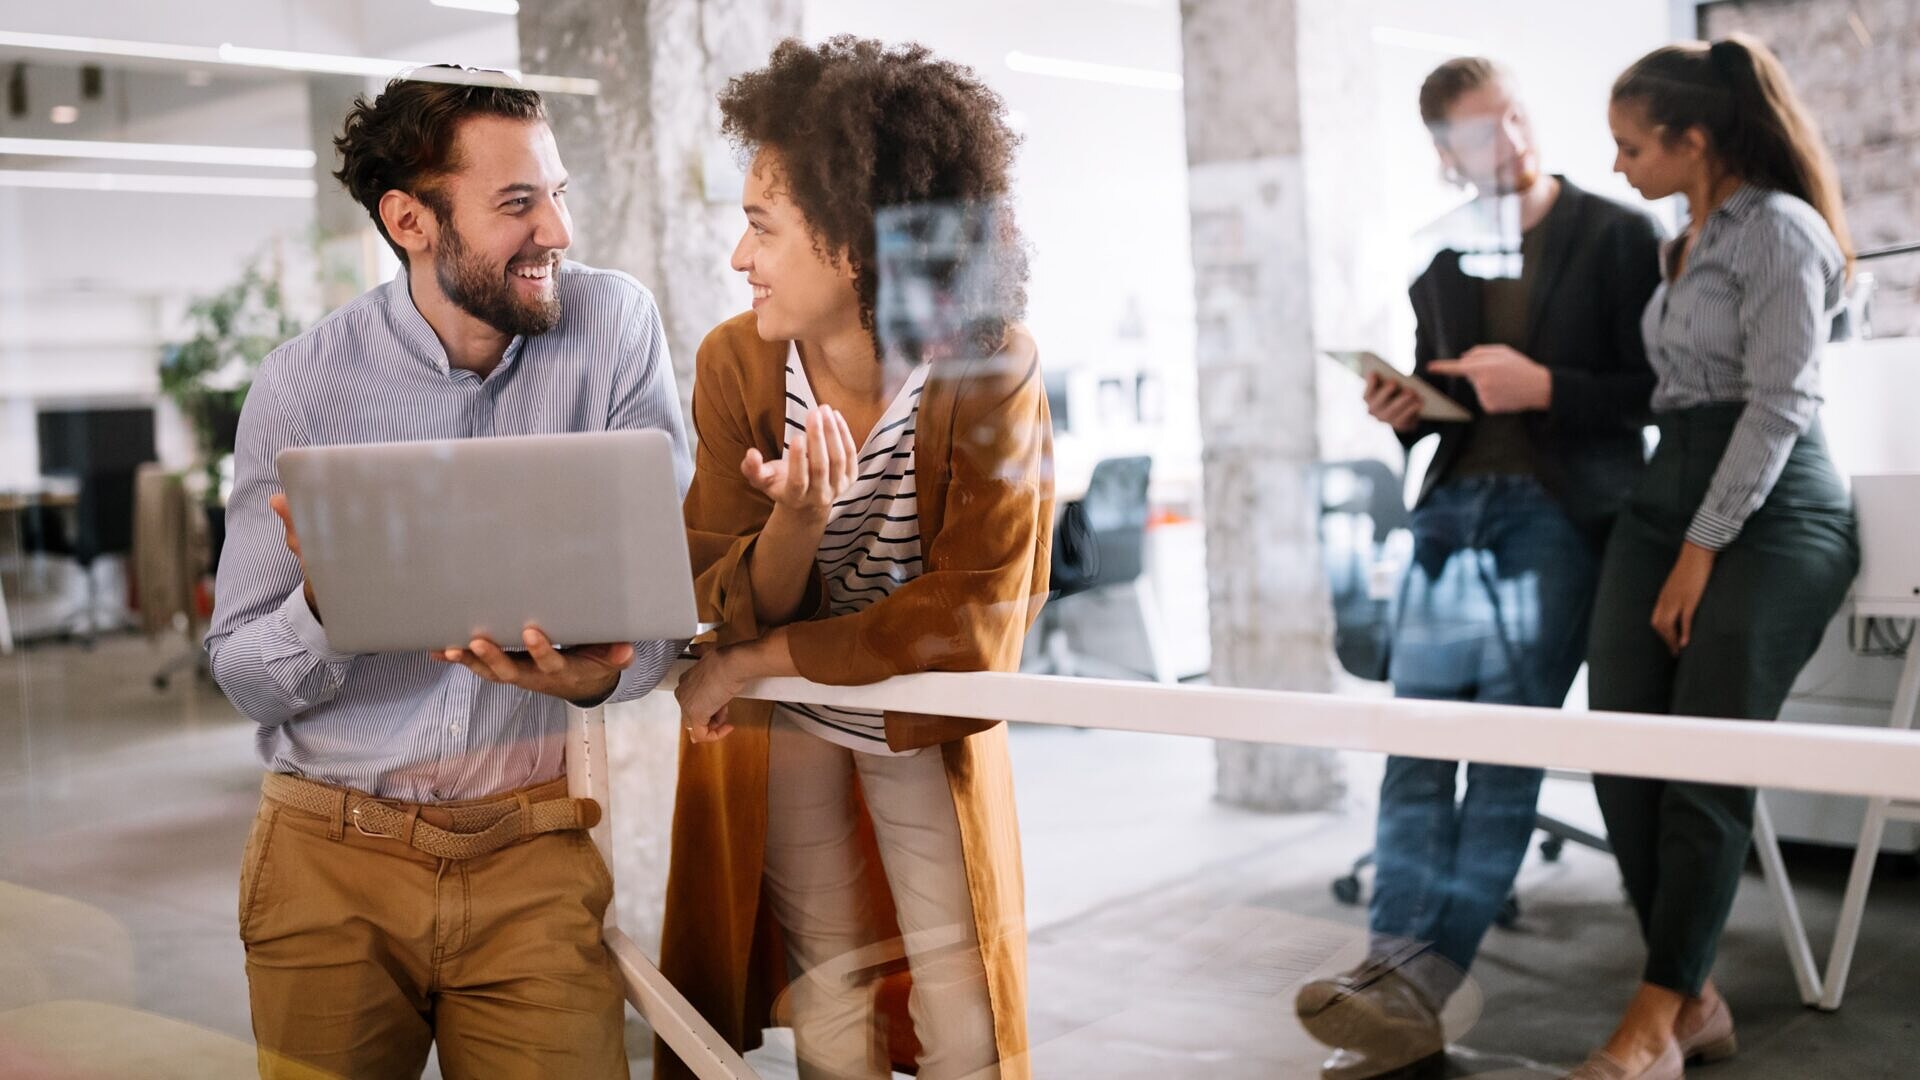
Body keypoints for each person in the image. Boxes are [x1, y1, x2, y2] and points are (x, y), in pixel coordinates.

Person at [206, 67, 689, 1079]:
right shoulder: (303, 386)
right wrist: (330, 598)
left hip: (532, 851)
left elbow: (659, 618)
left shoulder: (616, 329)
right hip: (329, 854)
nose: (556, 230)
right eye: (517, 203)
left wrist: (596, 673)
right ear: (410, 220)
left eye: (557, 192)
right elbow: (245, 670)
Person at [656, 36, 1051, 1080]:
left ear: (852, 243)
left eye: (760, 227)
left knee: (958, 984)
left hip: (917, 717)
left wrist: (748, 664)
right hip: (794, 721)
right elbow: (717, 597)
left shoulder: (987, 365)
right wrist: (794, 528)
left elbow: (969, 623)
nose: (739, 259)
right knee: (826, 976)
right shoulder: (735, 361)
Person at [1293, 57, 1663, 1080]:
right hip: (1454, 508)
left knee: (1500, 756)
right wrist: (1407, 411)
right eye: (1477, 134)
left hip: (1555, 514)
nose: (1507, 141)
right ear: (1447, 156)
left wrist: (1543, 385)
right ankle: (1388, 978)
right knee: (1416, 747)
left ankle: (1418, 990)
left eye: (1511, 118)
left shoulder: (1620, 236)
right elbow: (1443, 393)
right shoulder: (1444, 261)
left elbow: (1656, 392)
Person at [1573, 34, 1860, 1080]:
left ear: (1694, 139)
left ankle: (1654, 1021)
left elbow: (1782, 403)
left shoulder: (1781, 232)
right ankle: (1691, 994)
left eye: (1630, 145)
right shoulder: (1679, 239)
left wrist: (1702, 549)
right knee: (1623, 745)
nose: (1617, 166)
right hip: (1668, 491)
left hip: (1777, 515)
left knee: (1704, 761)